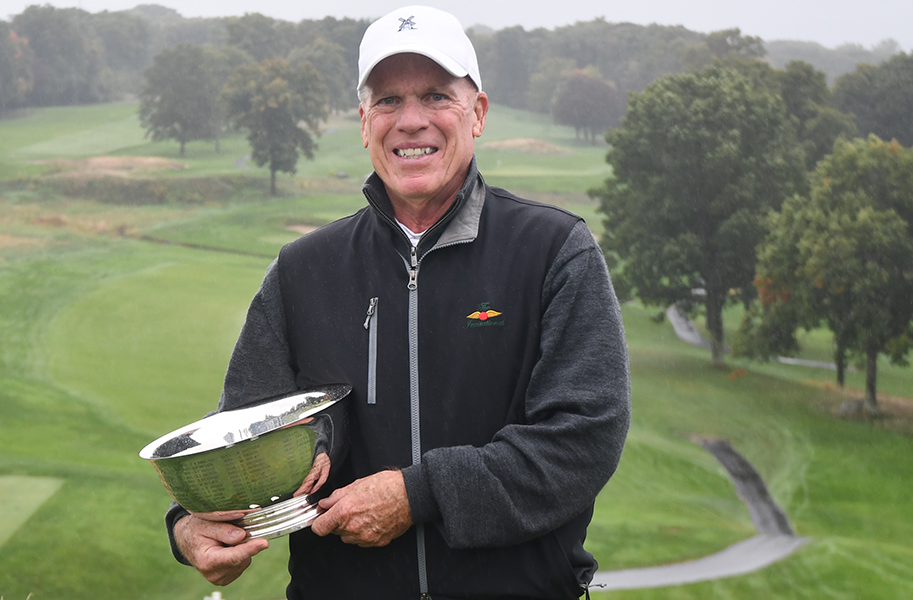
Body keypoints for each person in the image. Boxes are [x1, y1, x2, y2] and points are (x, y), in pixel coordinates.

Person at [165, 6, 630, 598]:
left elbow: (582, 441)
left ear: (478, 113)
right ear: (364, 122)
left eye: (436, 95)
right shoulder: (302, 270)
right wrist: (188, 526)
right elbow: (243, 440)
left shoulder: (554, 251)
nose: (410, 121)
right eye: (387, 101)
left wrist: (417, 495)